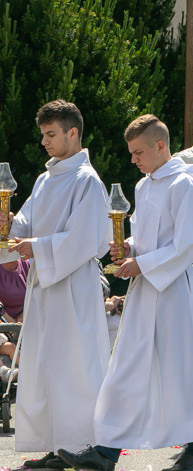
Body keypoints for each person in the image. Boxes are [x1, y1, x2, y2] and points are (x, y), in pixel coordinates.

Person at [58, 114, 193, 471]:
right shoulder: (144, 186)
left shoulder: (184, 183)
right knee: (124, 368)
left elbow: (188, 244)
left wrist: (142, 264)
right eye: (131, 153)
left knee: (183, 371)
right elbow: (145, 236)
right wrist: (128, 246)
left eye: (138, 152)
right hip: (144, 293)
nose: (133, 159)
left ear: (160, 146)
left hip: (173, 292)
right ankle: (105, 451)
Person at [0, 100, 110, 468]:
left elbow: (86, 238)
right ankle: (53, 445)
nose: (44, 142)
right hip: (45, 286)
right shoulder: (46, 179)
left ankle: (78, 446)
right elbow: (25, 228)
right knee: (46, 365)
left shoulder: (87, 181)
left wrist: (38, 248)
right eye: (43, 135)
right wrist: (9, 225)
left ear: (72, 132)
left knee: (74, 367)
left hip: (73, 286)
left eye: (51, 134)